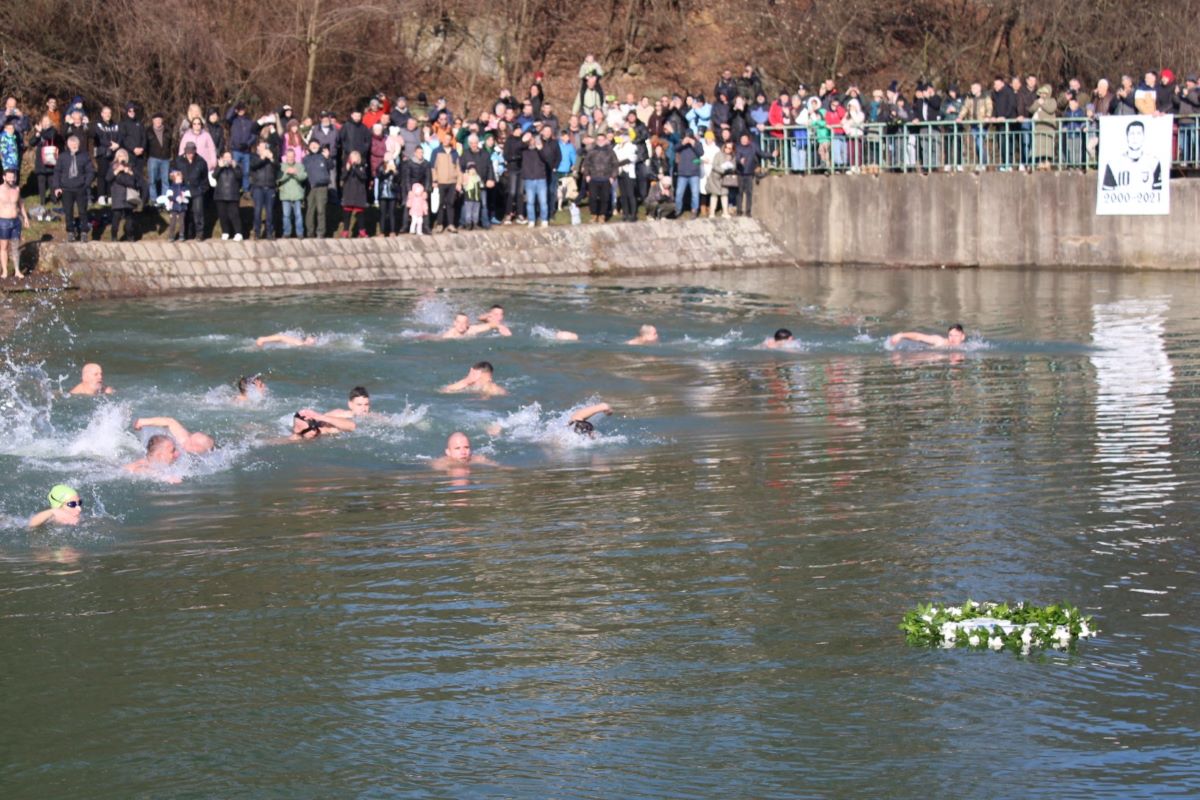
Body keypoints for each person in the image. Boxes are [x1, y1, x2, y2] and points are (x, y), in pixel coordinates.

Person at [52, 134, 94, 241]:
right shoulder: (63, 157)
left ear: (79, 145)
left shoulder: (84, 156)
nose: (74, 147)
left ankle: (84, 232)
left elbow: (90, 171)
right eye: (72, 145)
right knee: (68, 211)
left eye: (76, 145)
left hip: (80, 188)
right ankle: (70, 232)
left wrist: (86, 184)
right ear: (68, 145)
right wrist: (57, 187)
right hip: (66, 189)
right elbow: (57, 172)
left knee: (83, 211)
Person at [0, 167, 30, 279]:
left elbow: (21, 204)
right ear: (4, 177)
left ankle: (17, 270)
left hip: (16, 221)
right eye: (10, 177)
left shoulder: (17, 189)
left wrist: (25, 217)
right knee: (3, 247)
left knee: (15, 246)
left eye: (14, 177)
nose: (12, 179)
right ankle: (5, 271)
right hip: (3, 221)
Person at [133, 416, 215, 454]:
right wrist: (144, 421)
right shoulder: (183, 440)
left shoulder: (204, 455)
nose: (186, 446)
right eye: (190, 443)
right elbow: (170, 422)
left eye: (192, 445)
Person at [430, 431, 497, 470]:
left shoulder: (477, 459)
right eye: (457, 448)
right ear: (448, 452)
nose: (463, 452)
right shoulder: (440, 464)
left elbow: (498, 467)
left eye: (466, 447)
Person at [441, 361, 508, 396]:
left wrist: (465, 382)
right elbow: (443, 391)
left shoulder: (492, 390)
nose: (471, 378)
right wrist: (466, 381)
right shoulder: (470, 384)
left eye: (473, 375)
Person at [289, 409, 356, 440]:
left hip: (343, 417)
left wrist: (322, 417)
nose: (314, 432)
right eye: (311, 429)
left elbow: (352, 426)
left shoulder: (325, 429)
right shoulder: (297, 437)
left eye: (314, 428)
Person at [888, 324, 966, 349]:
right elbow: (919, 336)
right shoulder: (939, 341)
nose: (953, 339)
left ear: (962, 337)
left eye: (956, 336)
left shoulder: (966, 347)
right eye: (951, 335)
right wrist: (901, 335)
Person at [163, 168, 189, 241]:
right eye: (178, 177)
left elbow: (187, 195)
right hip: (174, 207)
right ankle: (171, 235)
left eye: (181, 177)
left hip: (182, 206)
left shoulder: (184, 187)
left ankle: (182, 234)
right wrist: (175, 198)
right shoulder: (171, 187)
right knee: (173, 222)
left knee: (182, 222)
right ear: (174, 179)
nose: (180, 178)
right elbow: (169, 196)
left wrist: (184, 198)